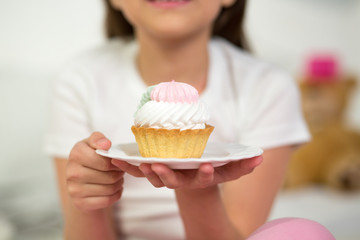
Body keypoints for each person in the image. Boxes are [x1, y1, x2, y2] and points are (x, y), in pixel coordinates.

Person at [45, 0, 335, 239]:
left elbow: (241, 233)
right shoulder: (80, 80)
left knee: (306, 234)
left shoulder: (268, 86)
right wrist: (86, 199)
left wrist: (195, 185)